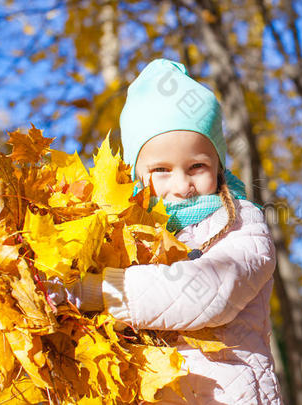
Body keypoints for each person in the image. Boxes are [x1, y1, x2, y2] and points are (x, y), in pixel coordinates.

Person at [48, 58, 283, 404]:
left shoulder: (241, 223)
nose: (182, 184)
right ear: (136, 173)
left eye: (197, 166)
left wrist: (101, 291)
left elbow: (210, 291)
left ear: (218, 165)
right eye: (161, 169)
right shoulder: (126, 230)